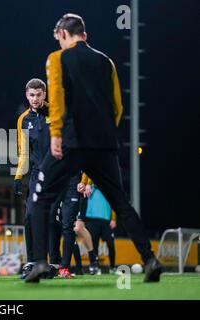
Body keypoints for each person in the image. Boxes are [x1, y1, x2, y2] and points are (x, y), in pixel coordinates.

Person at [25, 14, 162, 283]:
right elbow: (118, 106)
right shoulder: (106, 61)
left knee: (39, 200)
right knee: (122, 204)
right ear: (84, 35)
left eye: (58, 39)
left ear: (63, 34)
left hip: (72, 143)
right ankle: (150, 260)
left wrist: (55, 136)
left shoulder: (56, 59)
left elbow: (58, 99)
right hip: (104, 145)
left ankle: (40, 263)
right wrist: (107, 134)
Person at [13, 78, 59, 279]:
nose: (35, 99)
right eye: (31, 95)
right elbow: (23, 152)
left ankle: (54, 263)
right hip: (35, 175)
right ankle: (32, 262)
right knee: (30, 216)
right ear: (26, 94)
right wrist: (18, 177)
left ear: (45, 94)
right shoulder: (23, 119)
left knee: (52, 219)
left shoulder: (56, 112)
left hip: (57, 174)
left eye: (38, 95)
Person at [84, 182, 119, 274]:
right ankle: (96, 268)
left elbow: (113, 204)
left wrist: (113, 219)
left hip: (106, 220)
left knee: (111, 244)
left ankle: (112, 267)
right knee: (93, 245)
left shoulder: (108, 188)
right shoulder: (89, 186)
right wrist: (87, 185)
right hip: (92, 220)